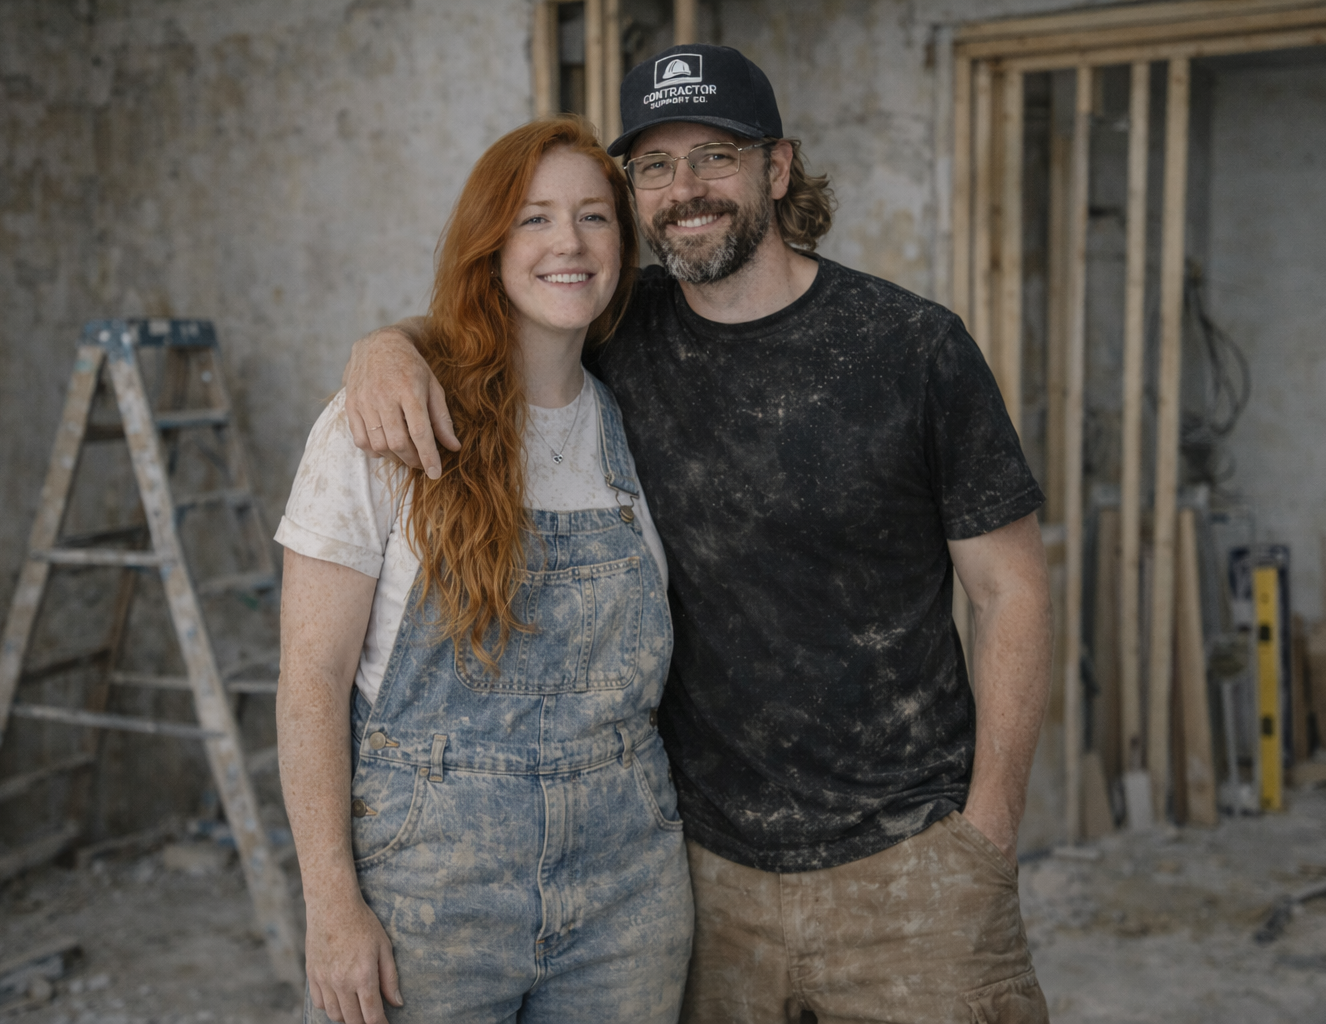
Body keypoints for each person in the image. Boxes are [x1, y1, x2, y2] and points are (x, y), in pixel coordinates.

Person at [343, 44, 1053, 1024]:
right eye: (656, 166)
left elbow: (1012, 590)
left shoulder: (911, 348)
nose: (687, 190)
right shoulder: (618, 336)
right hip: (701, 881)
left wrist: (989, 831)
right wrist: (383, 347)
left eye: (716, 155)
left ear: (777, 166)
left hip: (909, 870)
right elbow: (494, 316)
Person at [276, 116, 694, 1024]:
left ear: (624, 244)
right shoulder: (381, 424)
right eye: (534, 219)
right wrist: (331, 907)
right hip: (430, 891)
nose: (569, 243)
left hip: (628, 889)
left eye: (594, 216)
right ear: (489, 244)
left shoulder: (642, 423)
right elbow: (311, 681)